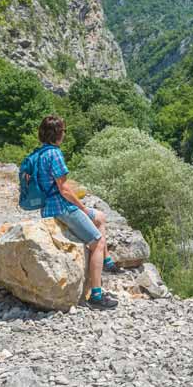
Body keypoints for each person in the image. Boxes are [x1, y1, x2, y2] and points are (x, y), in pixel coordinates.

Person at [35, 114, 119, 310]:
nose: (64, 134)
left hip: (48, 206)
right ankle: (96, 296)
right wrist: (82, 207)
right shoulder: (55, 154)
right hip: (62, 207)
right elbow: (64, 189)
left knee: (100, 217)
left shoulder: (40, 153)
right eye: (63, 131)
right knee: (97, 241)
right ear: (57, 133)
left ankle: (106, 260)